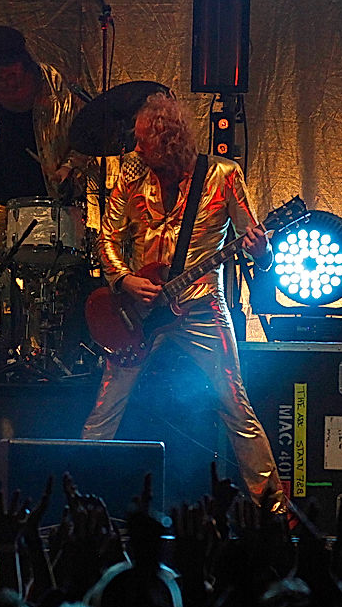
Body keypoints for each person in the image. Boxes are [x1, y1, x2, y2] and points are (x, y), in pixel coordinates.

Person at [80, 92, 286, 510]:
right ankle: (78, 502)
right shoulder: (130, 180)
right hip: (139, 313)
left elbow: (253, 245)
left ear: (168, 141)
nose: (136, 148)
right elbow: (107, 238)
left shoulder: (224, 176)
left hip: (202, 308)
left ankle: (275, 512)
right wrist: (124, 279)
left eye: (143, 141)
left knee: (235, 404)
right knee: (106, 406)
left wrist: (262, 251)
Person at [0, 25, 79, 255]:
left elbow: (85, 136)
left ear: (24, 64)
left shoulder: (55, 88)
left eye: (12, 75)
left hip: (49, 199)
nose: (8, 83)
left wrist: (68, 167)